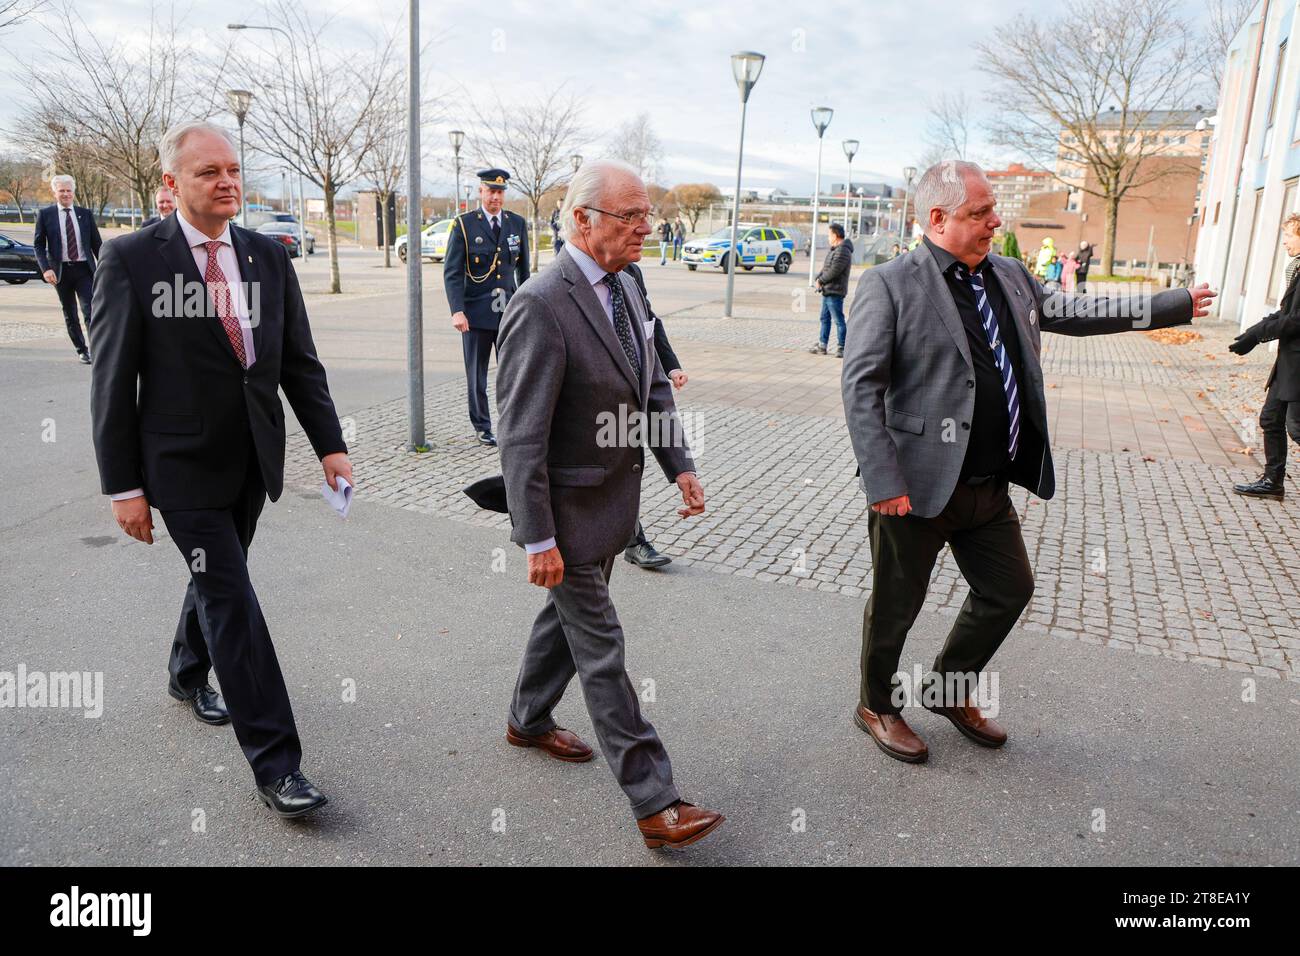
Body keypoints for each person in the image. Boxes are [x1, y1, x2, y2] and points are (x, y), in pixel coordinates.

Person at [840, 160, 1215, 764]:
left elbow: (1076, 313)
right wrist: (882, 478)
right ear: (938, 218)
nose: (996, 220)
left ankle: (945, 688)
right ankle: (876, 705)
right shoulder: (890, 283)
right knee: (895, 605)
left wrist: (1170, 304)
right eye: (981, 212)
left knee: (1008, 590)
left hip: (989, 484)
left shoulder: (1010, 274)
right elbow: (861, 388)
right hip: (914, 484)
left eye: (993, 208)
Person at [89, 120, 353, 819]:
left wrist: (331, 445)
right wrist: (123, 486)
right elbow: (112, 383)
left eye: (233, 169)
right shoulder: (131, 261)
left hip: (252, 462)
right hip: (177, 467)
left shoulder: (268, 255)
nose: (228, 181)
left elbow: (297, 361)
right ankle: (279, 765)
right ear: (171, 184)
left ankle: (185, 671)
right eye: (209, 172)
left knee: (216, 576)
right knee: (233, 600)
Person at [495, 158, 723, 850]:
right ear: (582, 220)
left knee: (564, 624)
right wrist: (536, 538)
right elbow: (521, 435)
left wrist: (678, 465)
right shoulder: (541, 302)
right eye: (631, 217)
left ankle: (527, 718)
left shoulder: (628, 283)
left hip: (611, 508)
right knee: (603, 648)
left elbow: (650, 384)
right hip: (564, 513)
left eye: (646, 215)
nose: (644, 228)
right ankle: (656, 803)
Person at [443, 168, 530, 446]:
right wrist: (457, 310)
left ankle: (512, 424)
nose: (496, 197)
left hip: (509, 312)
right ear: (481, 191)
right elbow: (453, 272)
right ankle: (482, 426)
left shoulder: (517, 224)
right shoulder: (465, 225)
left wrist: (528, 309)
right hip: (475, 314)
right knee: (477, 376)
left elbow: (524, 273)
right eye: (491, 191)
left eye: (500, 192)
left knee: (513, 373)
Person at [621, 259, 689, 569]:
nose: (643, 230)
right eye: (629, 218)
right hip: (592, 403)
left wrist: (670, 364)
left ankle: (631, 540)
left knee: (626, 465)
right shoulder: (562, 285)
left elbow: (650, 322)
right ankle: (630, 539)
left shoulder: (631, 272)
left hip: (634, 390)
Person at [1229, 213, 1300, 501]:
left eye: (1288, 236)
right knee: (1271, 419)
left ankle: (1273, 481)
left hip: (1298, 365)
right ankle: (1273, 481)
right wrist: (1254, 331)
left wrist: (1258, 336)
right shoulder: (1295, 270)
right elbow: (1285, 314)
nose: (1283, 242)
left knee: (1297, 427)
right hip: (1288, 363)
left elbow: (1296, 321)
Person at [32, 175, 102, 364]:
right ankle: (82, 350)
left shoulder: (84, 214)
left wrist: (105, 267)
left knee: (90, 311)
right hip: (60, 271)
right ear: (54, 193)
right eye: (61, 190)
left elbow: (97, 244)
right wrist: (45, 269)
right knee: (69, 312)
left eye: (68, 190)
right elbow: (38, 245)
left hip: (84, 270)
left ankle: (97, 350)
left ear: (73, 192)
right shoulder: (45, 215)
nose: (65, 194)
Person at [808, 223, 854, 357]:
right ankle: (822, 345)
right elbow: (826, 268)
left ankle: (842, 347)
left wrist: (821, 281)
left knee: (838, 320)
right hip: (828, 290)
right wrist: (818, 278)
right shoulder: (835, 249)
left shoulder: (843, 250)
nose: (828, 237)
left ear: (835, 235)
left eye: (829, 235)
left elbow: (834, 270)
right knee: (824, 318)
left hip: (835, 290)